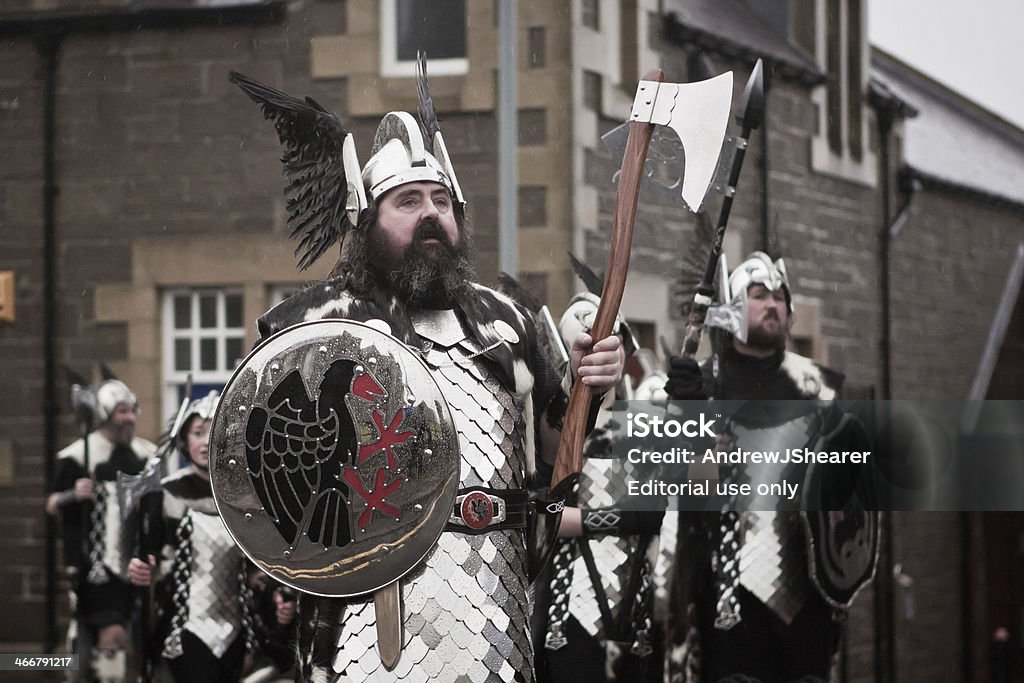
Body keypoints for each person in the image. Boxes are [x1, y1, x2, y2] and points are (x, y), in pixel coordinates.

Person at [236, 78, 624, 682]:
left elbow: (554, 460)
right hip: (367, 619)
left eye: (441, 202)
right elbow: (265, 490)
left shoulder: (509, 322)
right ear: (367, 219)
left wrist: (589, 387)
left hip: (495, 609)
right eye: (409, 201)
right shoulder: (311, 327)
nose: (431, 216)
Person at [662, 251, 876, 683]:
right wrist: (688, 417)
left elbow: (853, 494)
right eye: (760, 295)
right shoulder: (701, 385)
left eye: (780, 296)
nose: (774, 303)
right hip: (727, 598)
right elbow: (686, 494)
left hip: (808, 599)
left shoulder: (822, 388)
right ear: (733, 308)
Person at [533, 292, 666, 683]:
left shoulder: (648, 421)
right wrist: (626, 517)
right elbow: (543, 514)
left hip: (640, 609)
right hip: (567, 612)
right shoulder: (550, 426)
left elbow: (678, 506)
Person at [128, 392, 294, 682]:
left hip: (241, 630)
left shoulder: (249, 496)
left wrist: (276, 595)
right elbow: (148, 555)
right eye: (197, 433)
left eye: (213, 431)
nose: (205, 442)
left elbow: (262, 566)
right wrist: (140, 568)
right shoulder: (165, 494)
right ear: (184, 441)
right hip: (183, 629)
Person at [47, 378, 157, 683]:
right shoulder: (76, 456)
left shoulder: (145, 455)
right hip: (92, 568)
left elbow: (157, 511)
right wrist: (73, 494)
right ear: (105, 414)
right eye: (121, 411)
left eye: (131, 410)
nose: (129, 418)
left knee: (131, 644)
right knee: (105, 637)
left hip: (134, 566)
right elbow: (52, 505)